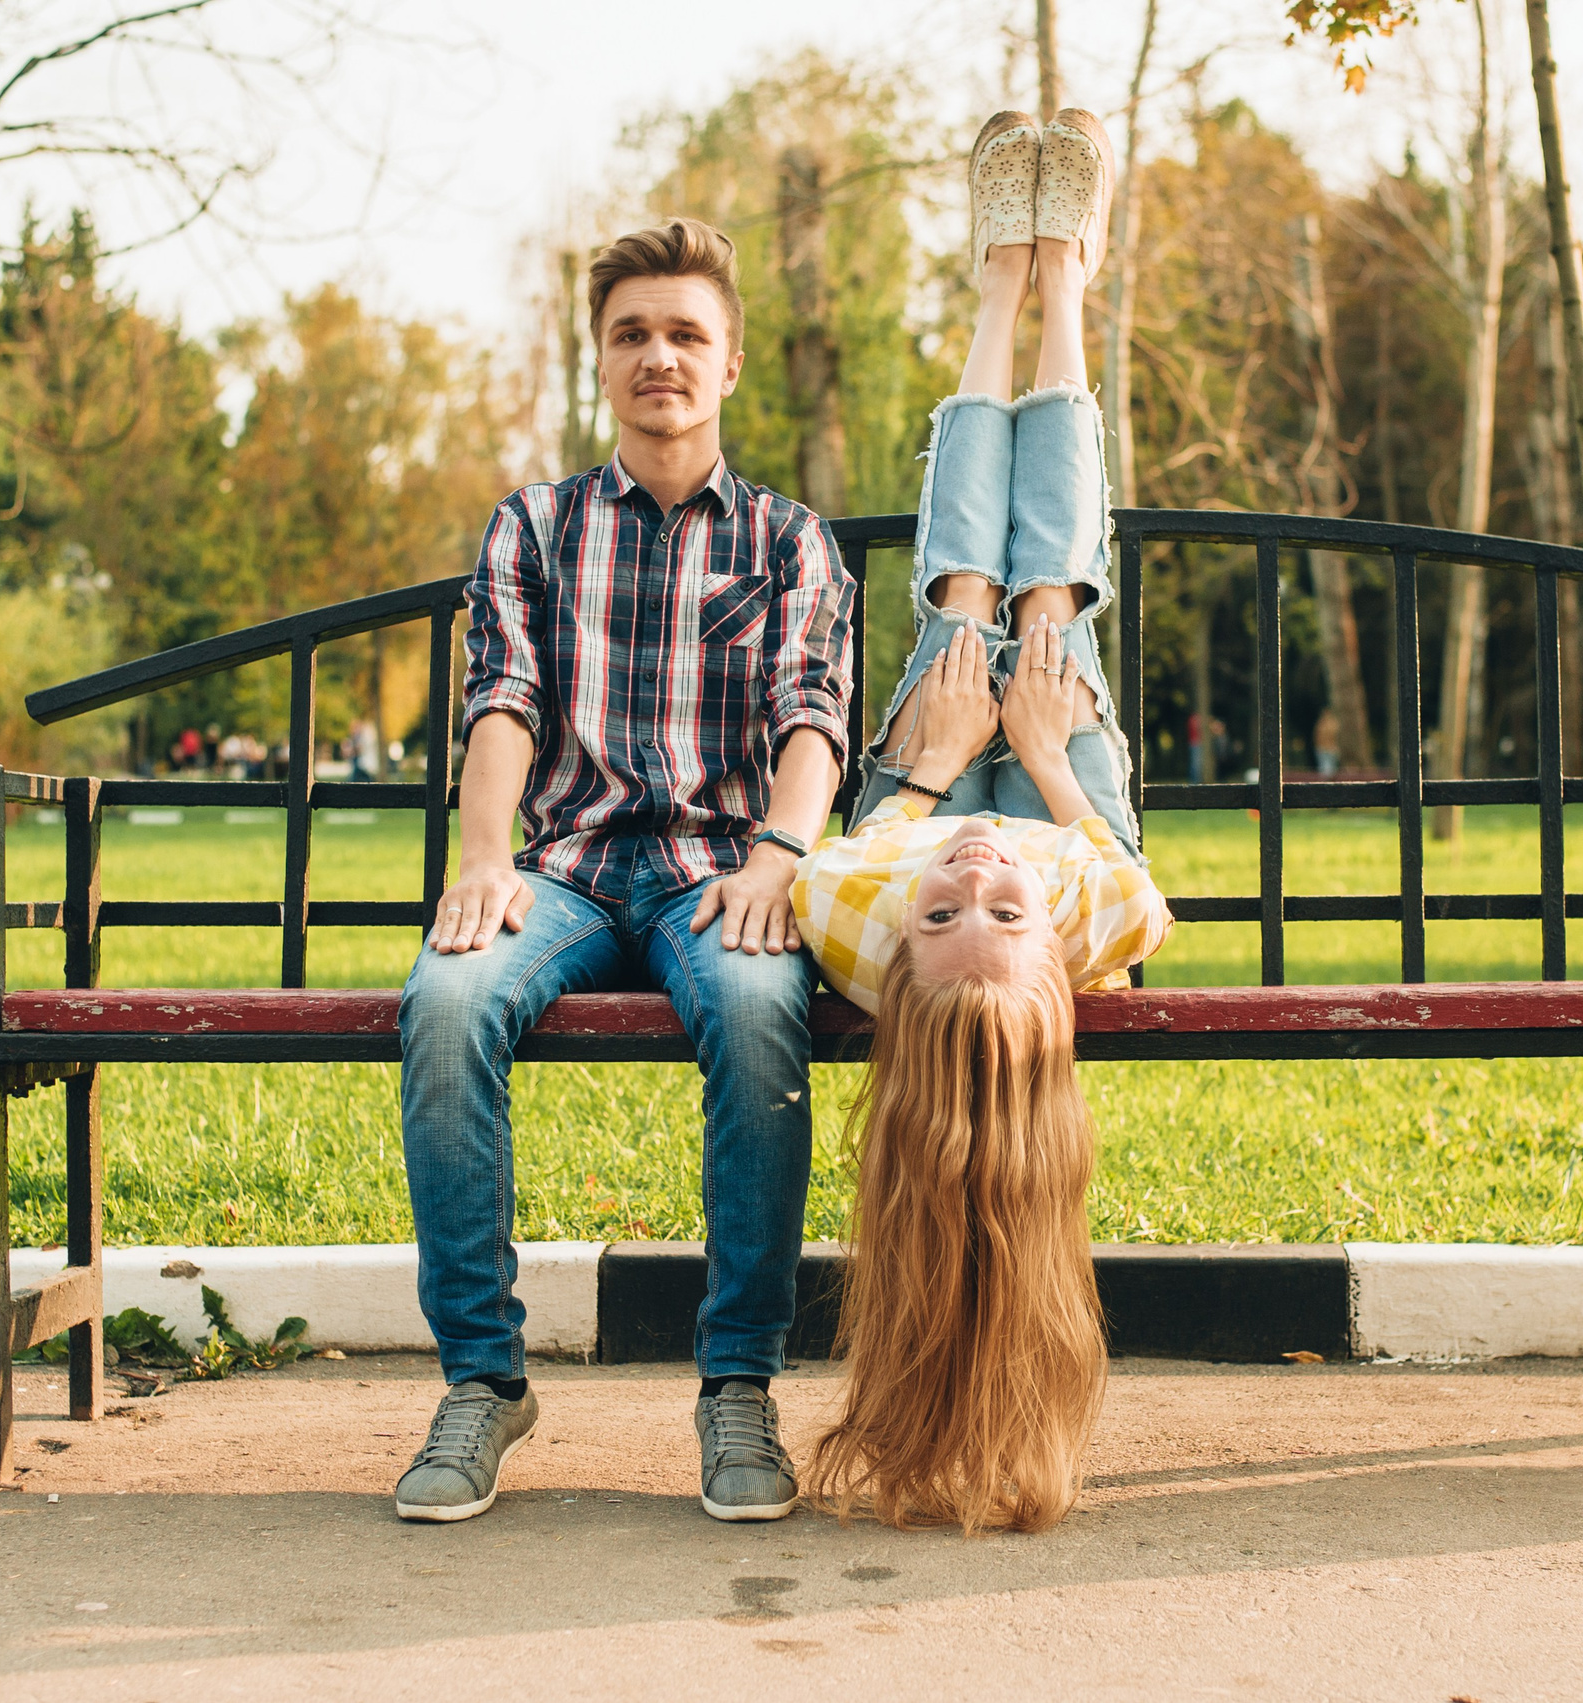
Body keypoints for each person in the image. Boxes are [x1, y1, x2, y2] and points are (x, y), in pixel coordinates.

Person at [391, 218, 855, 1526]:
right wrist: (484, 862)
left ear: (731, 363)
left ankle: (737, 1389)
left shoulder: (788, 539)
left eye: (686, 335)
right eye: (634, 334)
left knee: (765, 1013)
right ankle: (483, 1383)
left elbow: (812, 723)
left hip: (723, 872)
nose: (661, 356)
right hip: (572, 868)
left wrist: (779, 858)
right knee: (445, 1002)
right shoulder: (533, 528)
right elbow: (503, 706)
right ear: (601, 359)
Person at [788, 109, 1173, 1535]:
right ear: (1053, 960)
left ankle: (1000, 286)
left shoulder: (865, 915)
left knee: (963, 599)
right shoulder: (1079, 912)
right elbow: (1128, 894)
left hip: (924, 777)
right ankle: (1063, 282)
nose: (978, 886)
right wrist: (1052, 771)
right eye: (997, 913)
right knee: (1052, 596)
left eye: (944, 915)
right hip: (1079, 800)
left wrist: (944, 780)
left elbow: (874, 847)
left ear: (900, 954)